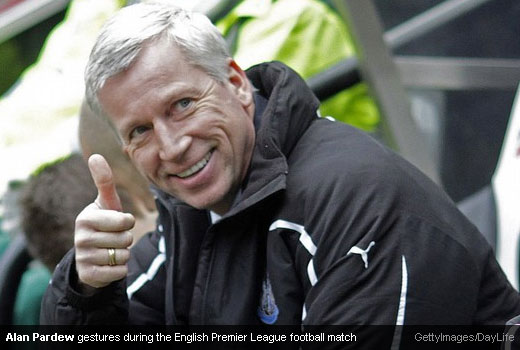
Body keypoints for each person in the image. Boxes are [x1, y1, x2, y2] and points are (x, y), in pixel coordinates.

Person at [41, 1, 520, 339]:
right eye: (140, 131)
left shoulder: (357, 198)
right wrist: (88, 288)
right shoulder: (189, 212)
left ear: (236, 84)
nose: (173, 147)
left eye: (183, 105)